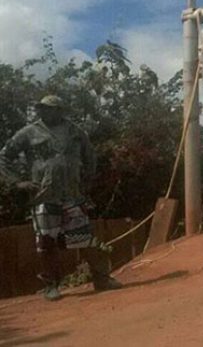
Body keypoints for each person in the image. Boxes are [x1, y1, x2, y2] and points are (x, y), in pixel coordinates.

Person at [0, 95, 122, 301]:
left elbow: (90, 156)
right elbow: (3, 157)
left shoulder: (76, 131)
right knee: (47, 241)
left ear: (59, 110)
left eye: (49, 108)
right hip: (44, 196)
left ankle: (101, 279)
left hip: (72, 195)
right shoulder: (29, 132)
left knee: (82, 237)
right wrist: (17, 183)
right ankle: (50, 286)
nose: (43, 111)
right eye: (41, 108)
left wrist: (87, 181)